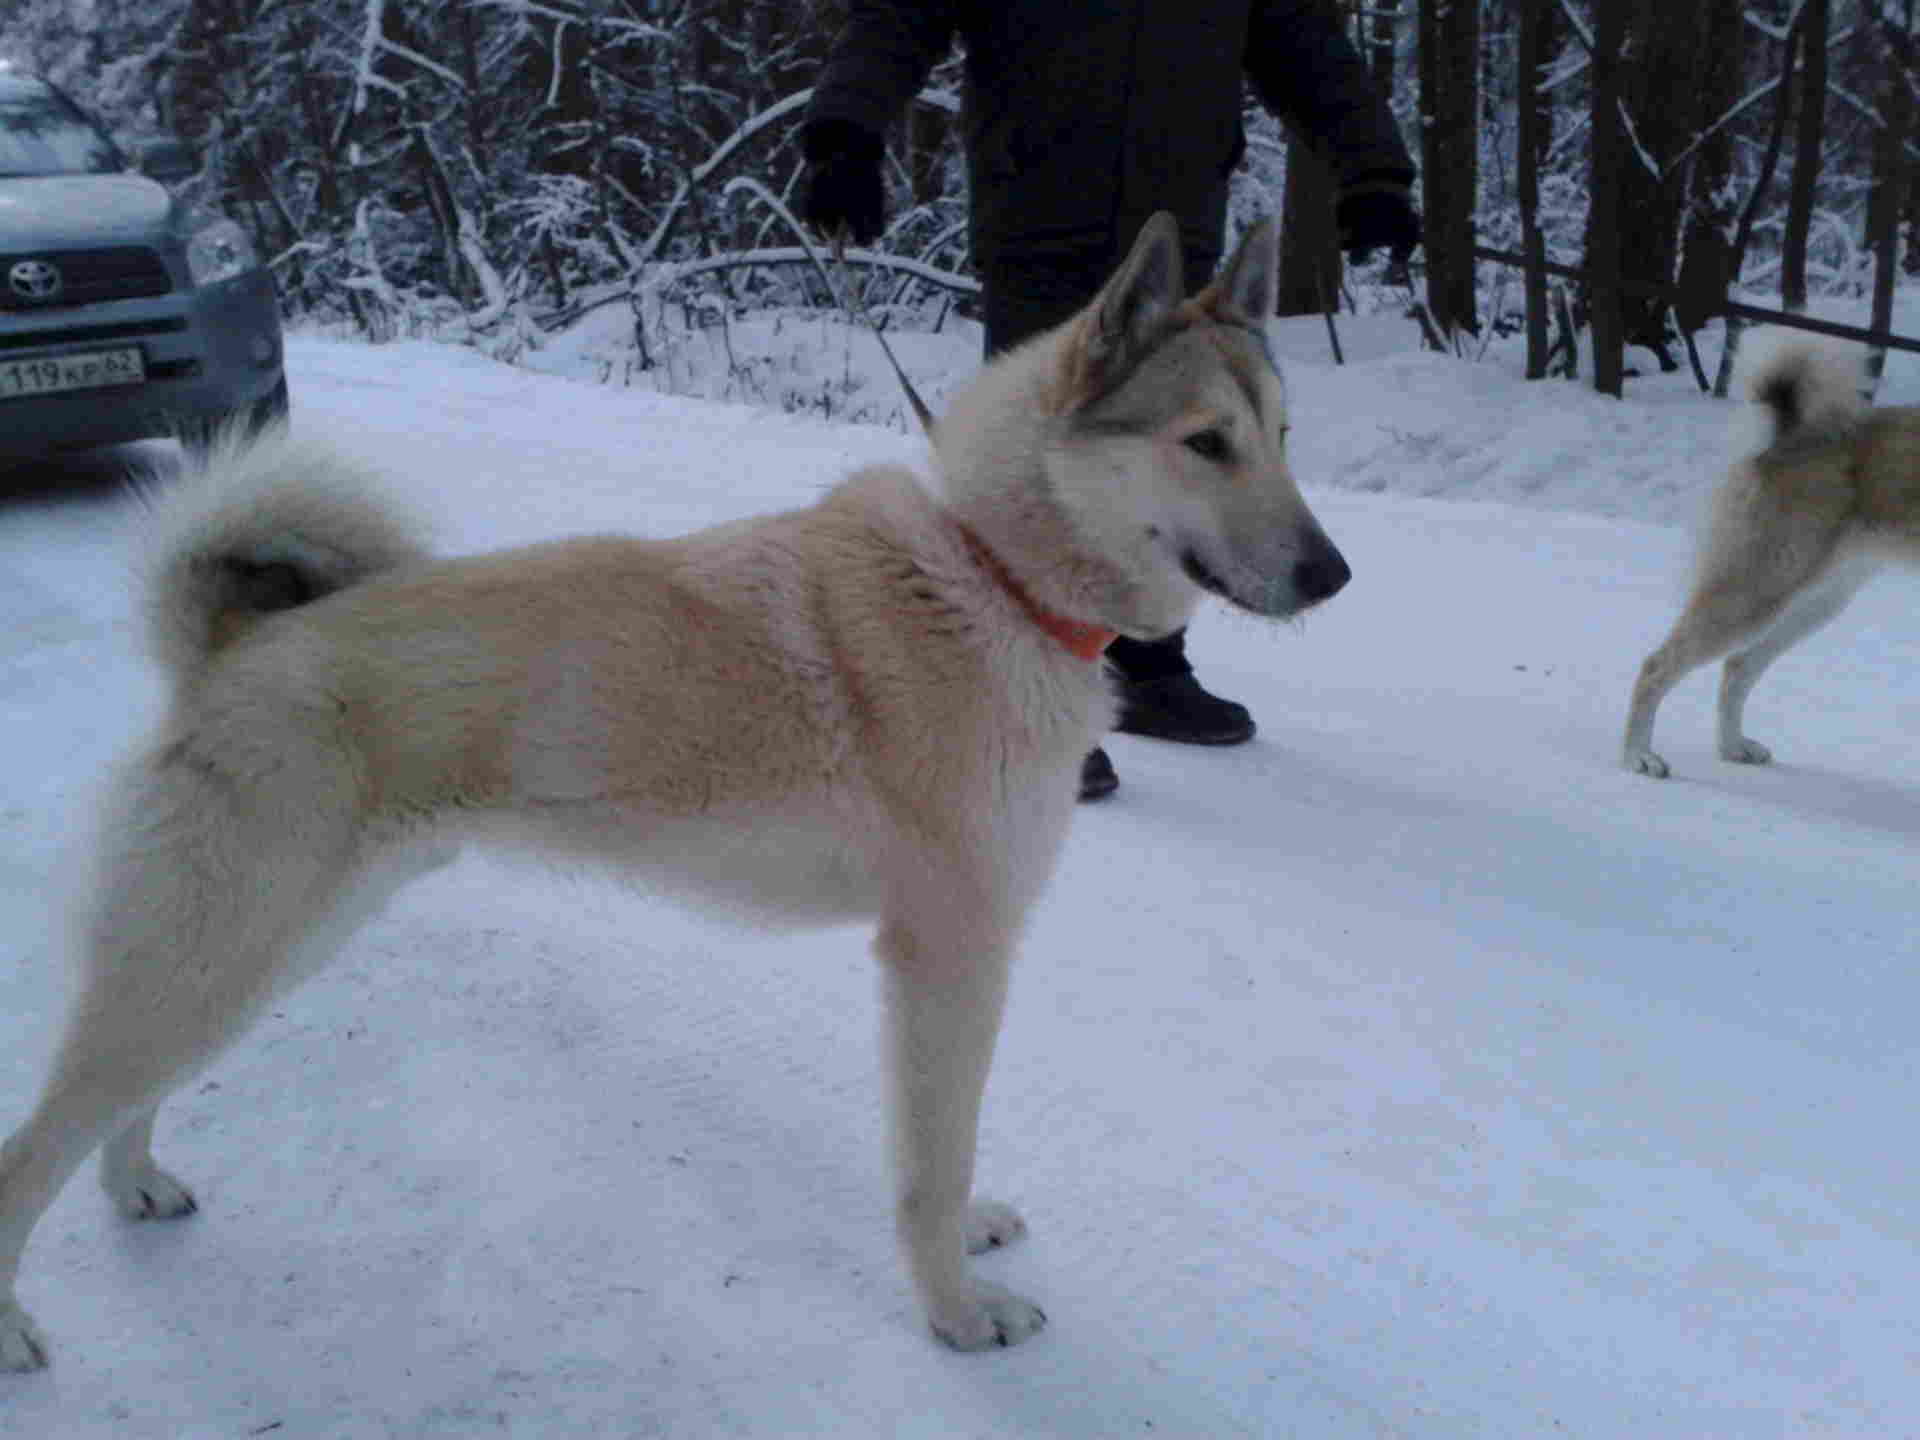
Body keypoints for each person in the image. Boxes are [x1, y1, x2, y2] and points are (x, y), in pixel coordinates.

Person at [800, 0, 1419, 800]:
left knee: (1164, 464)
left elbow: (1304, 47)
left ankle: (1145, 664)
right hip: (1039, 215)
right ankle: (1018, 695)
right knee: (1037, 467)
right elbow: (899, 19)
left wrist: (1373, 169)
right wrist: (845, 135)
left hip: (1177, 216)